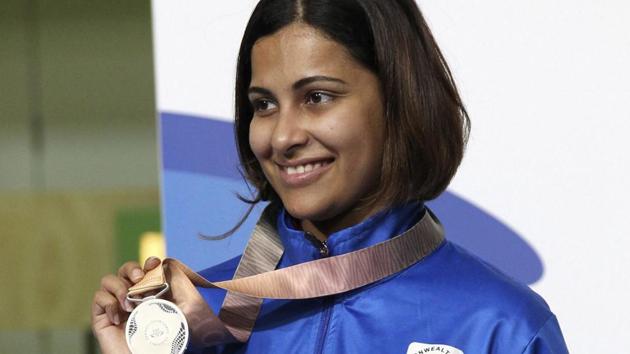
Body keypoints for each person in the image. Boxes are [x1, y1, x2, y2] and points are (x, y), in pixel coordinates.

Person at [92, 0, 570, 353]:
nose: (281, 137)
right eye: (264, 105)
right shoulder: (193, 321)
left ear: (397, 101)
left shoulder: (501, 327)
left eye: (317, 97)